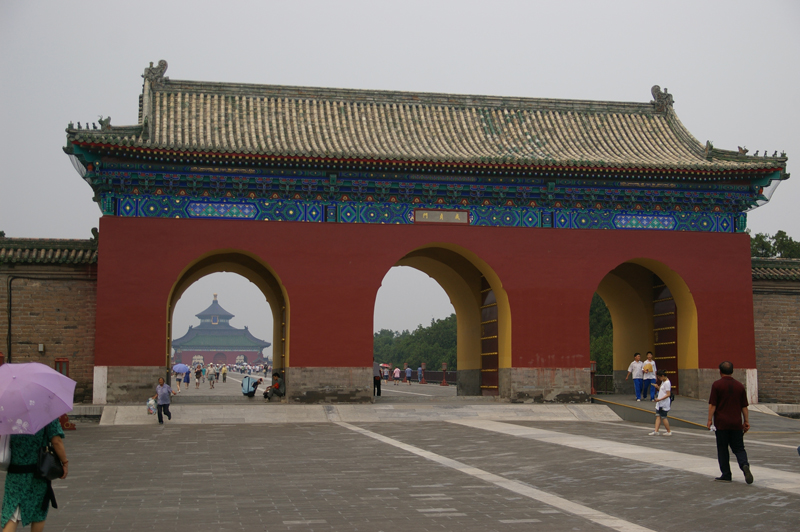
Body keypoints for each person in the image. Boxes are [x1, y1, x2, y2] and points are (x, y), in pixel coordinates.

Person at [1, 418, 68, 531]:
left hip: (15, 473)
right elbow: (56, 440)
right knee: (38, 511)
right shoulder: (46, 413)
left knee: (12, 512)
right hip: (37, 473)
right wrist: (65, 462)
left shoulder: (9, 414)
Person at [707, 361, 753, 484]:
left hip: (721, 423)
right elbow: (744, 406)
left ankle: (726, 474)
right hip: (736, 423)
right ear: (732, 371)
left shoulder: (717, 385)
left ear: (720, 371)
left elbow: (713, 405)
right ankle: (744, 465)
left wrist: (709, 419)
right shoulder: (739, 386)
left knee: (722, 449)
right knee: (739, 448)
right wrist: (746, 421)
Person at [649, 370, 673, 436]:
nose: (659, 378)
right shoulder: (663, 382)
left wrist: (660, 399)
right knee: (658, 416)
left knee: (663, 417)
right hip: (660, 402)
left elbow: (668, 394)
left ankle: (668, 431)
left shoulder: (667, 383)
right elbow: (662, 390)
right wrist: (657, 387)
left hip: (664, 403)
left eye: (659, 377)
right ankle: (656, 430)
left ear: (662, 376)